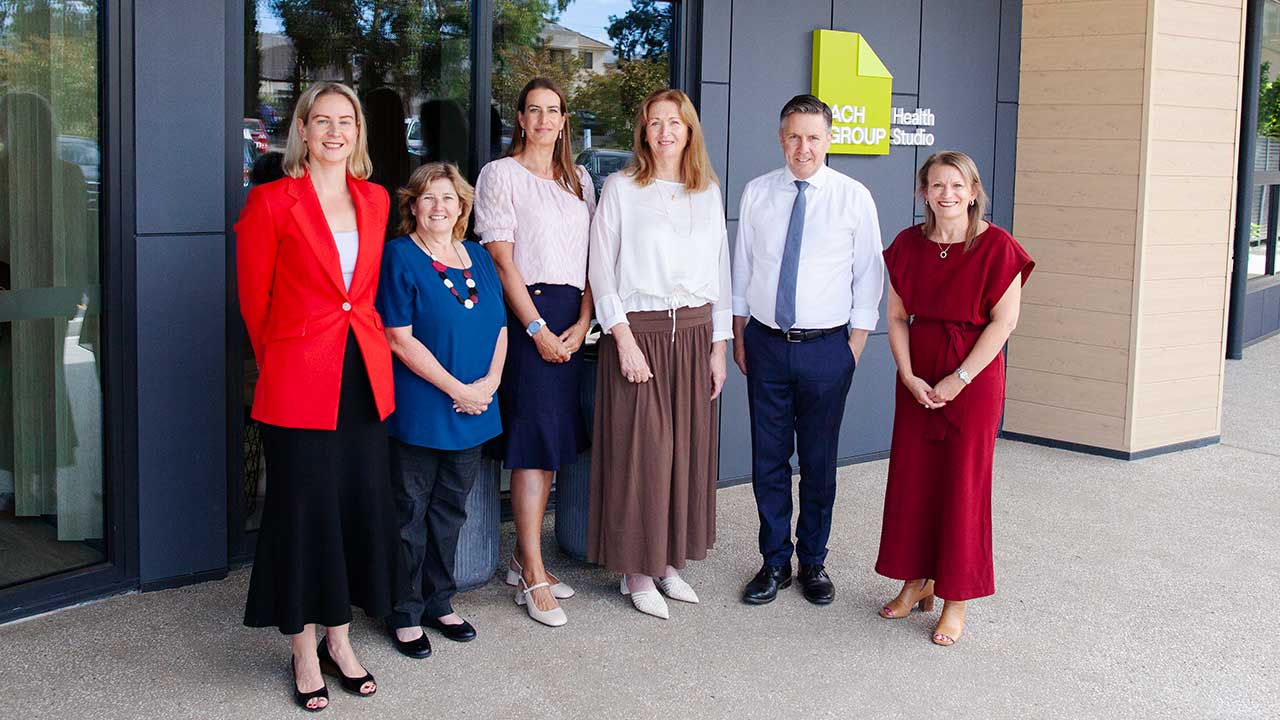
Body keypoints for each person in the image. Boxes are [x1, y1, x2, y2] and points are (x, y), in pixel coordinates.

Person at [237, 82, 395, 712]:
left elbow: (368, 291)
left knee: (352, 506)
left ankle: (340, 639)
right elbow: (256, 305)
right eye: (321, 120)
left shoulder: (377, 199)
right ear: (302, 130)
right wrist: (287, 363)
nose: (334, 131)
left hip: (362, 377)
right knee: (303, 513)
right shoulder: (272, 201)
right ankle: (303, 647)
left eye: (346, 120)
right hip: (299, 379)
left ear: (358, 132)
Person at [875, 151, 1033, 646]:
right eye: (937, 185)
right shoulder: (906, 244)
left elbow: (1004, 323)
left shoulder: (997, 246)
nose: (947, 194)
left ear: (973, 191)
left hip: (973, 378)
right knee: (914, 480)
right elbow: (897, 316)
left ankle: (955, 599)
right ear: (924, 193)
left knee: (963, 486)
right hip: (918, 377)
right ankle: (916, 581)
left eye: (956, 186)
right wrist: (907, 373)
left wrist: (958, 379)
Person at [732, 94, 885, 607]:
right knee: (768, 459)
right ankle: (774, 560)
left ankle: (813, 561)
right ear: (781, 137)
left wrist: (854, 346)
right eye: (794, 136)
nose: (803, 147)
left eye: (813, 137)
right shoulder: (757, 193)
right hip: (767, 344)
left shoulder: (853, 197)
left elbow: (869, 277)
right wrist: (739, 330)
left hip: (827, 348)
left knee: (819, 462)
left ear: (829, 139)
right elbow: (742, 267)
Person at [587, 88, 731, 620]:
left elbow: (722, 271)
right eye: (654, 123)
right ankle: (636, 570)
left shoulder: (706, 191)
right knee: (642, 454)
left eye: (675, 122)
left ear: (689, 130)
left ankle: (669, 562)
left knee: (685, 453)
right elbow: (600, 267)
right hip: (640, 332)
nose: (665, 132)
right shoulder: (621, 187)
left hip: (694, 333)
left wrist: (719, 345)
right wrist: (621, 337)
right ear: (643, 133)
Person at [474, 77, 594, 627]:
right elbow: (501, 260)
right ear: (520, 119)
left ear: (565, 120)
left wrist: (584, 322)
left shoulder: (580, 180)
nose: (544, 119)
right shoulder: (501, 175)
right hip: (529, 318)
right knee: (530, 447)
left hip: (573, 320)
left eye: (554, 110)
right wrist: (538, 328)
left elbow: (599, 257)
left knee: (548, 447)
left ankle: (525, 558)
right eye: (534, 110)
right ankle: (533, 572)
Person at [377, 162, 506, 655]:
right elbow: (398, 338)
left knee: (450, 510)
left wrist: (490, 384)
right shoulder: (400, 257)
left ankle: (439, 601)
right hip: (422, 408)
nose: (439, 207)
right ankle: (404, 611)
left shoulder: (477, 256)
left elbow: (498, 326)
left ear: (462, 207)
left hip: (473, 409)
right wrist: (459, 388)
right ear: (413, 206)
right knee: (409, 512)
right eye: (428, 198)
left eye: (448, 198)